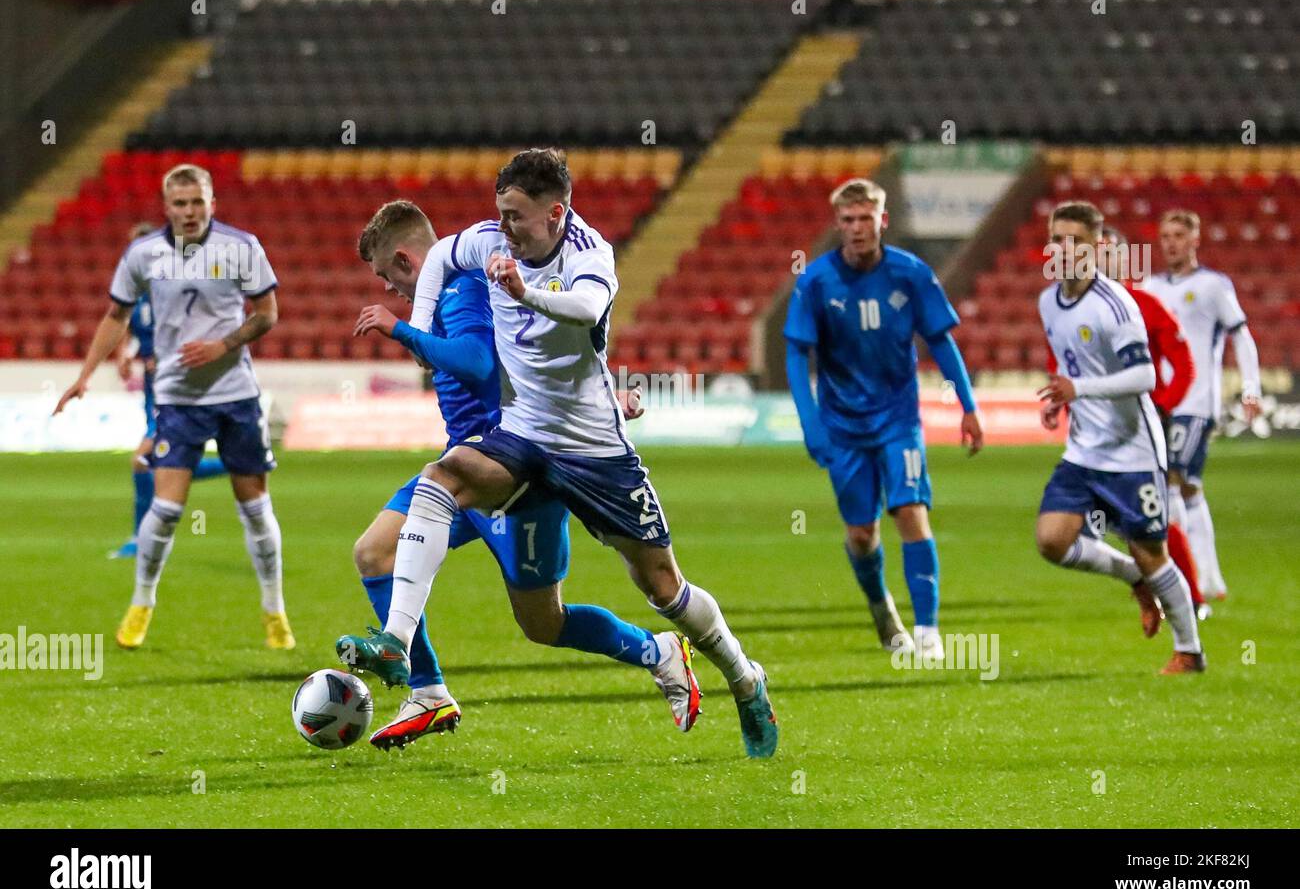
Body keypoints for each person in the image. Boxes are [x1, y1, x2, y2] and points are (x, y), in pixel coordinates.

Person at [339, 149, 778, 758]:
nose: (503, 227)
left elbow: (587, 310)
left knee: (660, 587)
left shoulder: (590, 256)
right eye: (500, 214)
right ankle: (402, 651)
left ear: (556, 213)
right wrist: (416, 325)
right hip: (521, 438)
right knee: (440, 481)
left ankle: (743, 677)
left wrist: (519, 293)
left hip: (594, 452)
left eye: (515, 216)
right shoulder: (486, 244)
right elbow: (442, 253)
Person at [54, 163, 293, 651]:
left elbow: (268, 313)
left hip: (235, 395)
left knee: (254, 508)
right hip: (177, 397)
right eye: (180, 204)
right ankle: (142, 603)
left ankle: (275, 610)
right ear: (166, 208)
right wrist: (83, 376)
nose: (189, 212)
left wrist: (222, 345)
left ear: (211, 203)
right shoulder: (143, 254)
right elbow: (114, 315)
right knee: (164, 508)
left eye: (197, 202)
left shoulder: (242, 248)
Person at [784, 178, 984, 659]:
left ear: (882, 221)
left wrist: (969, 406)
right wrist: (811, 424)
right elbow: (795, 353)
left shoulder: (911, 274)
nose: (857, 228)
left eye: (865, 219)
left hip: (898, 421)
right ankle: (880, 605)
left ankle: (929, 633)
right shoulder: (815, 282)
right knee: (861, 533)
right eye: (848, 220)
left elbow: (941, 341)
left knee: (911, 514)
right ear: (838, 224)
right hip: (843, 426)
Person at [1035, 201, 1204, 674]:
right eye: (1058, 239)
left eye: (1076, 241)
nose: (1065, 249)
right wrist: (1061, 399)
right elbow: (1073, 365)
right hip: (1085, 449)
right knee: (1052, 540)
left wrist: (1079, 388)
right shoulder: (1048, 301)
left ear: (1095, 248)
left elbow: (1146, 376)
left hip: (1132, 452)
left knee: (1152, 551)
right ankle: (1135, 579)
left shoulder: (1115, 305)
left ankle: (1189, 650)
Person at [1142, 210, 1261, 602]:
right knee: (1189, 487)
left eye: (1179, 235)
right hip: (1160, 402)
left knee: (1173, 479)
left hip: (1197, 401)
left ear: (1196, 240)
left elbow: (1241, 336)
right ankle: (1208, 578)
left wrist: (1250, 388)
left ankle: (1181, 577)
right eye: (1165, 236)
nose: (1170, 243)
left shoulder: (1213, 286)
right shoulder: (1151, 287)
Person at [108, 222, 228, 560]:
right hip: (152, 391)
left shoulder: (177, 289)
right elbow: (125, 326)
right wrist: (124, 355)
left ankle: (138, 539)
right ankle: (236, 462)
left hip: (175, 390)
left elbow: (199, 333)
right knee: (162, 464)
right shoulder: (136, 291)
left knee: (143, 460)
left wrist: (167, 360)